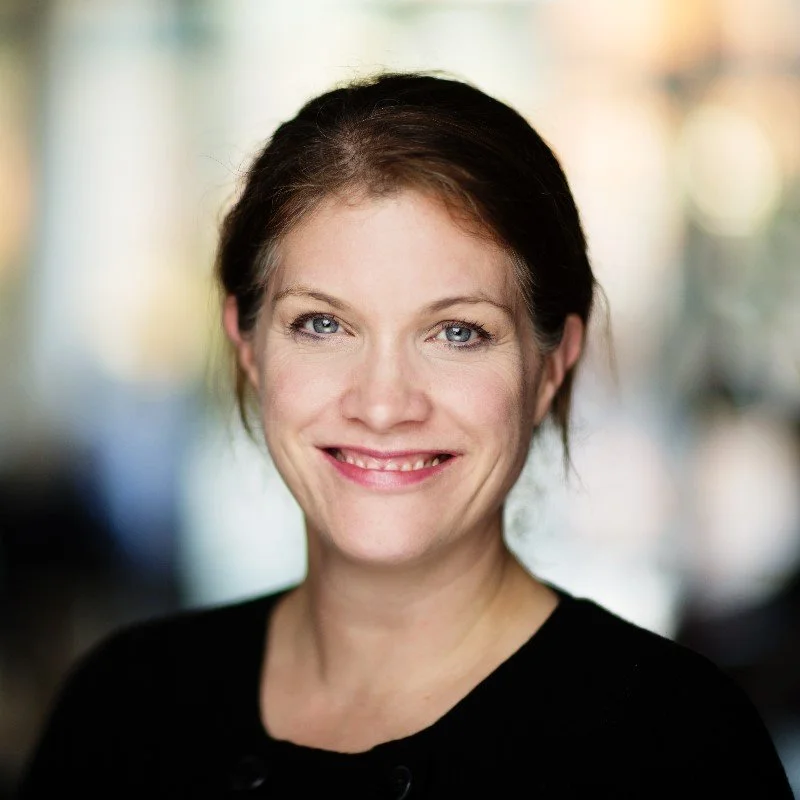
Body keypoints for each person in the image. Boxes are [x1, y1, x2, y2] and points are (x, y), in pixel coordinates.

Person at [18, 72, 792, 798]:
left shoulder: (679, 747)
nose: (384, 404)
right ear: (248, 345)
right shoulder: (122, 708)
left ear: (553, 364)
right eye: (322, 324)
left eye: (457, 332)